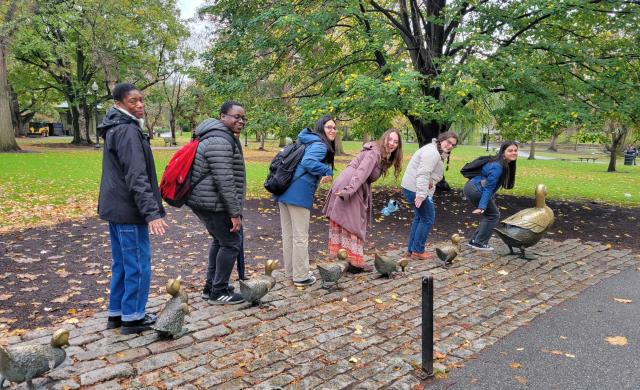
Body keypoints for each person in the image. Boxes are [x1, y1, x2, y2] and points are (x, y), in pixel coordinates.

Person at [98, 83, 168, 334]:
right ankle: (132, 318)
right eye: (133, 101)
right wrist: (152, 214)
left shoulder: (116, 127)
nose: (139, 105)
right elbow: (137, 176)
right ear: (119, 104)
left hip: (117, 208)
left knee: (123, 264)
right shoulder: (126, 130)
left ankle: (116, 314)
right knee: (137, 264)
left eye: (141, 100)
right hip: (129, 211)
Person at [186, 101, 246, 304]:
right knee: (231, 243)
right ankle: (218, 291)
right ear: (223, 116)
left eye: (243, 118)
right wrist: (234, 213)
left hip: (206, 200)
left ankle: (211, 286)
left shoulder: (217, 135)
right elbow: (224, 180)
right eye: (236, 117)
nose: (241, 121)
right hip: (213, 202)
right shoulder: (220, 141)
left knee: (220, 241)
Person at [323, 129, 403, 272]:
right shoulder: (374, 153)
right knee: (353, 223)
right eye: (390, 139)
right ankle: (354, 263)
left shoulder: (381, 154)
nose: (392, 143)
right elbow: (361, 173)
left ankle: (349, 261)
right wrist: (348, 191)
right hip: (351, 184)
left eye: (395, 142)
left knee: (352, 222)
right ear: (384, 138)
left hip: (354, 185)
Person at [275, 115, 335, 286]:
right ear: (321, 128)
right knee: (300, 236)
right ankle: (301, 276)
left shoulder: (305, 141)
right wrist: (327, 170)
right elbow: (308, 162)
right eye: (329, 127)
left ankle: (291, 272)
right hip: (298, 195)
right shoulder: (319, 145)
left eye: (334, 128)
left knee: (289, 235)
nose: (332, 130)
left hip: (284, 191)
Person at [401, 131, 459, 260]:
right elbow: (423, 173)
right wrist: (421, 195)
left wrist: (428, 186)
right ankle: (417, 251)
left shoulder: (435, 151)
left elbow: (429, 175)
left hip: (412, 187)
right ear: (441, 139)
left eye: (453, 145)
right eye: (448, 142)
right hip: (416, 189)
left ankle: (411, 250)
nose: (450, 146)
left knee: (420, 218)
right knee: (427, 218)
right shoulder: (432, 153)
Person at [463, 141, 518, 250]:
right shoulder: (498, 166)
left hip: (473, 188)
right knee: (493, 215)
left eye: (515, 150)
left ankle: (475, 240)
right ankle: (479, 242)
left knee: (490, 215)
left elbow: (489, 186)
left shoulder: (502, 163)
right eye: (510, 150)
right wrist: (482, 206)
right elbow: (488, 187)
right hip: (476, 190)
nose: (514, 153)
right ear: (503, 152)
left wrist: (485, 203)